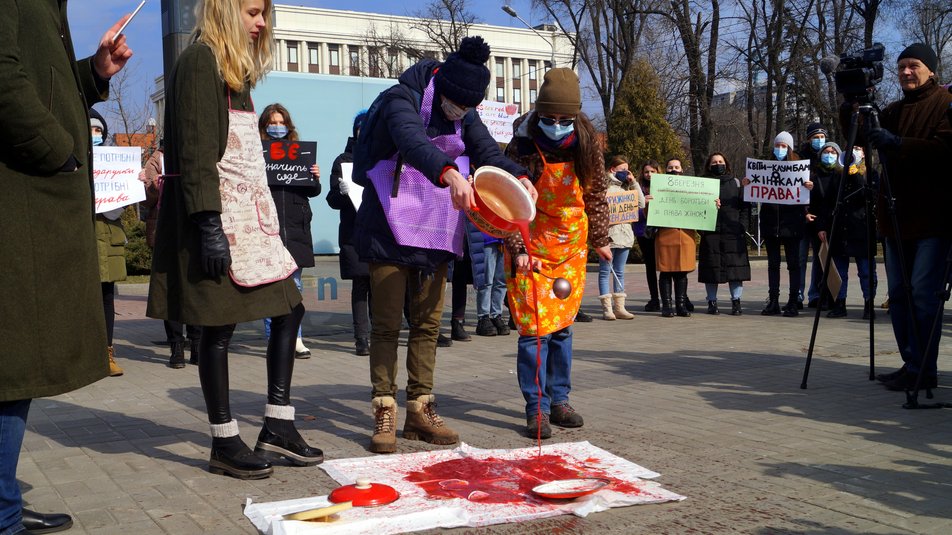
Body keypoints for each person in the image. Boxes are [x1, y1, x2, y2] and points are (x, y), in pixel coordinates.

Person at [148, 0, 323, 479]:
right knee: (217, 328)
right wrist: (208, 227)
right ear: (226, 11)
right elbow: (195, 152)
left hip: (255, 221)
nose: (262, 22)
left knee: (291, 308)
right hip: (217, 220)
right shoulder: (199, 62)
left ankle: (278, 425)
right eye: (251, 12)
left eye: (263, 13)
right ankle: (224, 441)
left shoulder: (236, 74)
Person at [352, 36, 533, 453]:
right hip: (387, 224)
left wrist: (520, 176)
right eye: (456, 105)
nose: (461, 113)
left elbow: (487, 151)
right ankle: (384, 407)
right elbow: (412, 142)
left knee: (428, 323)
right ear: (442, 85)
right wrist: (450, 173)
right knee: (386, 324)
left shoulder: (465, 112)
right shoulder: (403, 97)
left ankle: (420, 408)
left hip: (435, 226)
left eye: (469, 108)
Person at [1, 7, 132, 535]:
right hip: (19, 199)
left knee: (15, 362)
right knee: (12, 362)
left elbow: (38, 78)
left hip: (27, 196)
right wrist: (59, 151)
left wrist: (91, 73)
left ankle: (4, 497)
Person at [503, 67, 610, 439]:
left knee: (562, 327)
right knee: (535, 331)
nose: (558, 125)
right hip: (531, 243)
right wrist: (517, 247)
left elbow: (596, 194)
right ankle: (537, 408)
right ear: (539, 113)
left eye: (566, 119)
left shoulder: (587, 142)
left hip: (571, 244)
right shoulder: (522, 143)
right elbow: (507, 201)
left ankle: (560, 401)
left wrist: (600, 237)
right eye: (550, 118)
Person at [860, 43, 952, 391]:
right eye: (901, 67)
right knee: (898, 295)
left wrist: (898, 144)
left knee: (924, 296)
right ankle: (911, 361)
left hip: (932, 218)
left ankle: (924, 368)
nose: (906, 72)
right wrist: (853, 104)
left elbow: (946, 152)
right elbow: (862, 135)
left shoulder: (945, 105)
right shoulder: (895, 109)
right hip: (895, 218)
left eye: (913, 66)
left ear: (931, 70)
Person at [258, 103, 322, 359]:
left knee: (294, 284)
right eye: (272, 123)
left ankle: (295, 338)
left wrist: (314, 177)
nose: (277, 127)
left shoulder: (301, 153)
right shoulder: (256, 154)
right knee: (269, 287)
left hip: (296, 227)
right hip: (267, 226)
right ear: (264, 126)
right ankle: (273, 337)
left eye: (281, 122)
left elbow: (312, 191)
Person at [140, 140, 203, 368]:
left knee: (195, 288)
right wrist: (153, 186)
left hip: (193, 229)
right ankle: (176, 346)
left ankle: (197, 344)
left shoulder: (196, 152)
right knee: (170, 288)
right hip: (164, 229)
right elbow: (147, 199)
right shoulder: (157, 159)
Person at [809, 142, 878, 319]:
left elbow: (868, 196)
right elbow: (827, 203)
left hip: (862, 229)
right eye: (851, 148)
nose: (854, 151)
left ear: (864, 153)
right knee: (840, 270)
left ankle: (869, 304)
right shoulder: (837, 175)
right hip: (840, 229)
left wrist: (855, 175)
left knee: (866, 270)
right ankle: (840, 304)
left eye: (858, 148)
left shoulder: (870, 174)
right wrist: (822, 226)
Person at [327, 111, 371, 356]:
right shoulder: (343, 160)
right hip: (353, 233)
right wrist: (342, 191)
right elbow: (332, 200)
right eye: (360, 127)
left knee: (381, 285)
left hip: (379, 232)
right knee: (360, 285)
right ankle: (361, 338)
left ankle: (381, 334)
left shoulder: (382, 156)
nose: (363, 131)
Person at [90, 107, 129, 377]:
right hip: (85, 239)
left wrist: (126, 186)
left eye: (98, 130)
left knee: (106, 299)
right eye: (90, 129)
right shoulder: (74, 160)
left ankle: (107, 353)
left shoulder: (115, 161)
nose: (94, 134)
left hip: (109, 241)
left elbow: (118, 208)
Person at [757, 131, 812, 317]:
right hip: (771, 223)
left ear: (789, 148)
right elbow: (756, 191)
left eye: (783, 146)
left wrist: (808, 187)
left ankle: (793, 301)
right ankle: (773, 300)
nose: (780, 149)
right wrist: (748, 183)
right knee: (773, 264)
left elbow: (806, 198)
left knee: (793, 264)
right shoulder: (765, 167)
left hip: (792, 224)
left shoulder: (799, 168)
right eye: (777, 145)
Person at [697, 153, 751, 315]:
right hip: (711, 233)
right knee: (711, 270)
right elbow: (695, 209)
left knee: (735, 271)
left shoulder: (735, 183)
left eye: (720, 161)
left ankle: (736, 302)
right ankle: (712, 302)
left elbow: (744, 207)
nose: (717, 164)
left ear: (726, 164)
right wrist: (703, 229)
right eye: (714, 162)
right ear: (708, 165)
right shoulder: (702, 184)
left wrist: (741, 227)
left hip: (733, 234)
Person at [597, 155, 638, 320]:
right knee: (605, 271)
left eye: (627, 170)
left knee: (619, 272)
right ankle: (607, 309)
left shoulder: (627, 188)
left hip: (625, 236)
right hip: (608, 236)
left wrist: (634, 182)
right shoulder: (603, 187)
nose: (626, 173)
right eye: (623, 170)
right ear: (612, 170)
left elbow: (640, 204)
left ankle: (620, 307)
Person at [656, 158, 697, 318]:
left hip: (685, 235)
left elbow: (701, 208)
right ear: (665, 170)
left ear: (682, 170)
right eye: (670, 167)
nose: (674, 170)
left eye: (677, 167)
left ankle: (681, 305)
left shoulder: (692, 189)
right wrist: (648, 203)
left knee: (682, 273)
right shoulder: (658, 188)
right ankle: (666, 305)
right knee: (666, 272)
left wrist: (712, 204)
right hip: (665, 235)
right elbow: (649, 215)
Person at [799, 122, 828, 309]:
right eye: (815, 137)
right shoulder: (799, 160)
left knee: (819, 258)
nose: (819, 140)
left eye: (822, 137)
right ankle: (798, 295)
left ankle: (816, 294)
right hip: (802, 215)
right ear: (809, 139)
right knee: (800, 258)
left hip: (819, 217)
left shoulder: (828, 159)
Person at [466, 219, 512, 336]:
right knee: (486, 280)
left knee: (501, 281)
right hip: (487, 237)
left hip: (504, 237)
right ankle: (483, 317)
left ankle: (496, 315)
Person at [634, 160, 661, 311]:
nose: (649, 174)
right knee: (650, 266)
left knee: (666, 266)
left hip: (662, 231)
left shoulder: (665, 187)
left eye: (652, 171)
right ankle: (654, 299)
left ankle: (670, 298)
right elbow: (630, 212)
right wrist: (644, 204)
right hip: (644, 232)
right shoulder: (637, 189)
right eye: (646, 172)